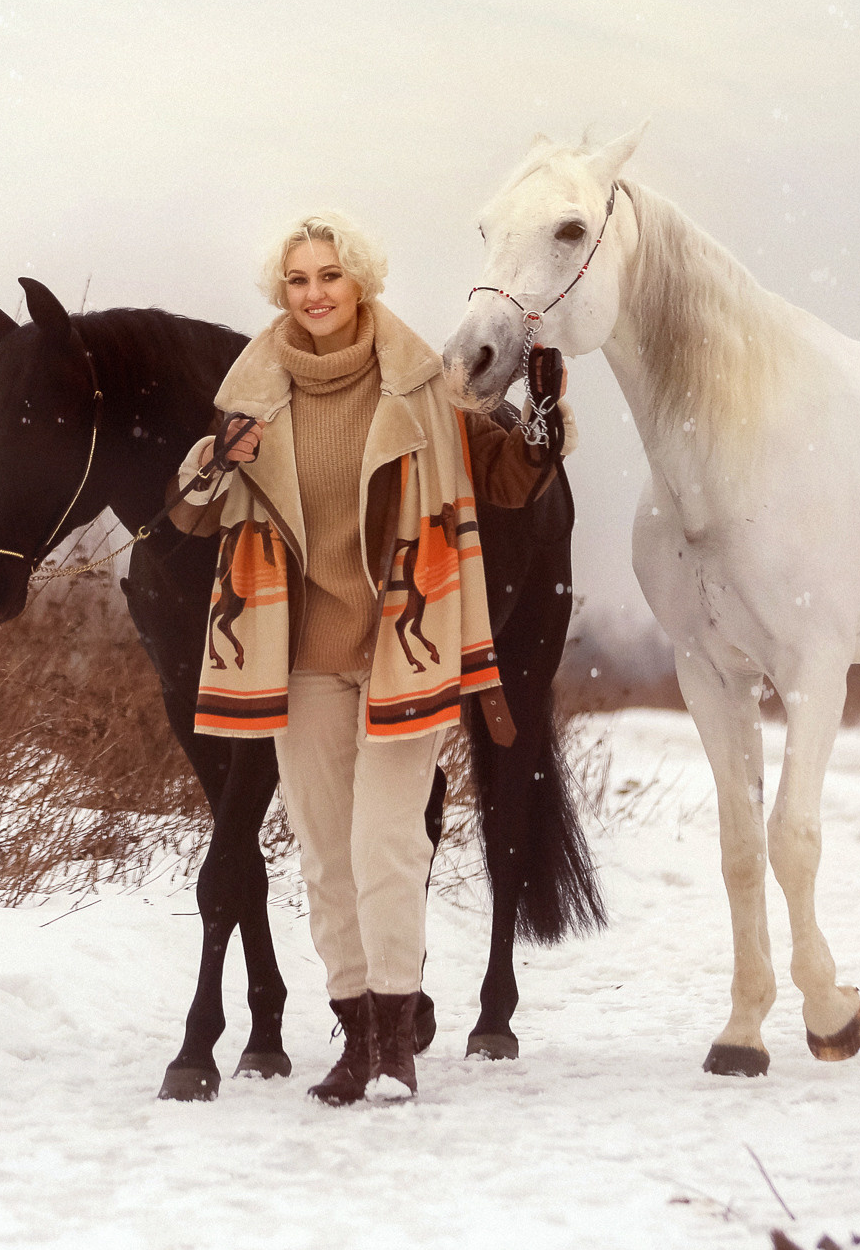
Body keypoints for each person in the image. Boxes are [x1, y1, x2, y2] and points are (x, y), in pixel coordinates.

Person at [168, 212, 571, 1105]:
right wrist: (212, 461)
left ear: (362, 283)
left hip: (405, 646)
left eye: (330, 276)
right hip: (298, 661)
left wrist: (543, 419)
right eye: (299, 279)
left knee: (387, 846)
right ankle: (355, 1033)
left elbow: (506, 479)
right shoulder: (254, 397)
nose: (314, 294)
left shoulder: (422, 384)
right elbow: (193, 515)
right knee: (324, 855)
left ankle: (397, 1040)